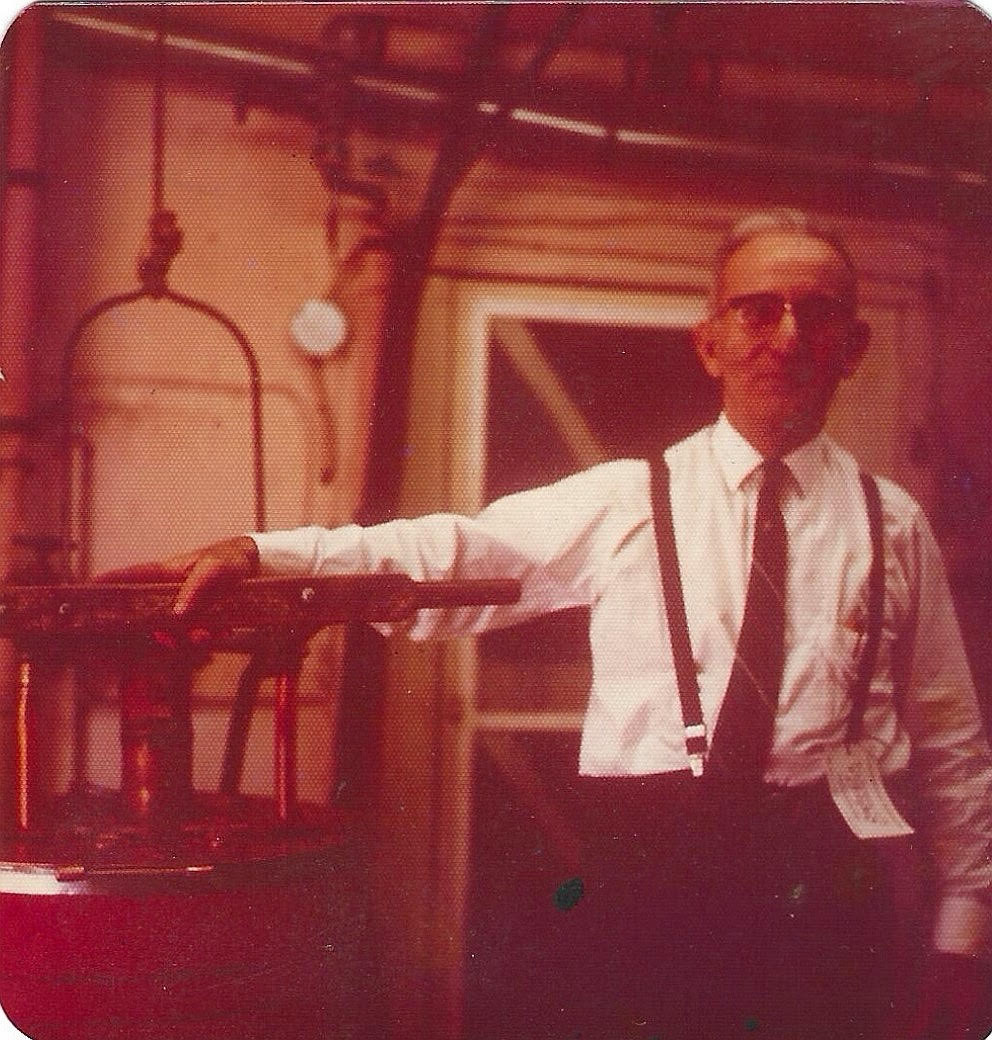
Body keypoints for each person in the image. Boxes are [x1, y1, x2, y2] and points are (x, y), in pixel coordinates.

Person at [124, 209, 991, 1039]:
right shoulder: (628, 499)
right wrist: (267, 553)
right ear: (711, 342)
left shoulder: (894, 524)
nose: (788, 337)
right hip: (653, 883)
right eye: (759, 310)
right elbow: (453, 551)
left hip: (831, 896)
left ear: (854, 348)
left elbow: (950, 740)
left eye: (819, 314)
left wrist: (966, 927)